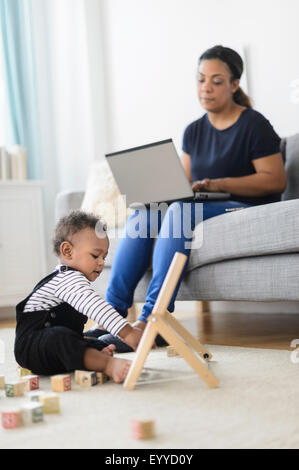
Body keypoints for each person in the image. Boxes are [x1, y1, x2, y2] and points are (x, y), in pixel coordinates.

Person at [86, 45, 287, 351]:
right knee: (148, 213)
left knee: (179, 212)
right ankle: (112, 317)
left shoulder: (254, 124)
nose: (206, 87)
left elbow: (276, 180)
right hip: (203, 204)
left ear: (234, 85)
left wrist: (219, 185)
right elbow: (183, 184)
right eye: (201, 79)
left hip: (244, 206)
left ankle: (155, 321)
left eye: (217, 81)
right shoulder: (193, 130)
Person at [14, 211, 143, 383]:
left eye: (104, 257)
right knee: (61, 338)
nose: (101, 263)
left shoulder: (73, 279)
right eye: (95, 256)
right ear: (67, 251)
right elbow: (95, 306)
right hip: (32, 347)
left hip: (54, 352)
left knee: (94, 342)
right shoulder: (67, 279)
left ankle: (93, 357)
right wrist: (127, 332)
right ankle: (107, 364)